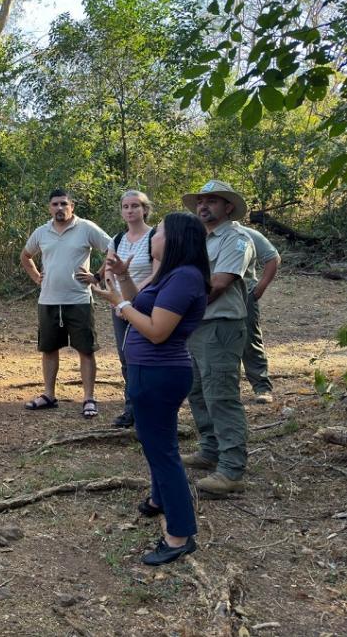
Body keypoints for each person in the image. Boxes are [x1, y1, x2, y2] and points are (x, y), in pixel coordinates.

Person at [92, 212, 210, 565]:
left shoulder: (185, 278)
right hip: (150, 373)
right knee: (156, 441)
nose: (151, 236)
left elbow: (157, 330)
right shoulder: (170, 275)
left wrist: (120, 305)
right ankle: (160, 500)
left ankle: (179, 534)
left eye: (157, 232)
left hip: (159, 374)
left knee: (163, 452)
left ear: (174, 239)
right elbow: (142, 303)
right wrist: (125, 280)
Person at [181, 180, 255, 495]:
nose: (203, 206)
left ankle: (231, 470)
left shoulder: (237, 239)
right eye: (201, 201)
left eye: (212, 200)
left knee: (221, 396)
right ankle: (210, 450)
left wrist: (180, 308)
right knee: (197, 390)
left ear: (228, 207)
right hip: (197, 325)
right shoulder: (201, 239)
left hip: (220, 326)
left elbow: (220, 282)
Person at [20, 188, 111, 417]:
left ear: (72, 206)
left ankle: (89, 398)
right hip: (48, 300)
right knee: (49, 349)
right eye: (55, 204)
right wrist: (36, 278)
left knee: (86, 349)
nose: (59, 208)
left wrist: (97, 277)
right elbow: (26, 256)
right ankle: (49, 395)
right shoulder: (42, 232)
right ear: (49, 207)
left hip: (79, 299)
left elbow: (113, 249)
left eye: (63, 204)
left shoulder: (86, 228)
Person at [105, 190, 157, 428]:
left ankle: (152, 408)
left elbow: (157, 273)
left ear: (145, 210)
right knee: (126, 357)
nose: (130, 211)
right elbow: (108, 271)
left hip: (147, 306)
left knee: (148, 357)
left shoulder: (155, 237)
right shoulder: (116, 239)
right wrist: (117, 300)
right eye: (126, 206)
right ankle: (131, 408)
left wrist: (131, 299)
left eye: (135, 206)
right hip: (119, 307)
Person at [238, 224, 280, 404]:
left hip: (243, 294)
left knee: (249, 340)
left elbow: (272, 257)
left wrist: (259, 289)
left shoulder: (246, 234)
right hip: (210, 296)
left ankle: (261, 386)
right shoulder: (199, 232)